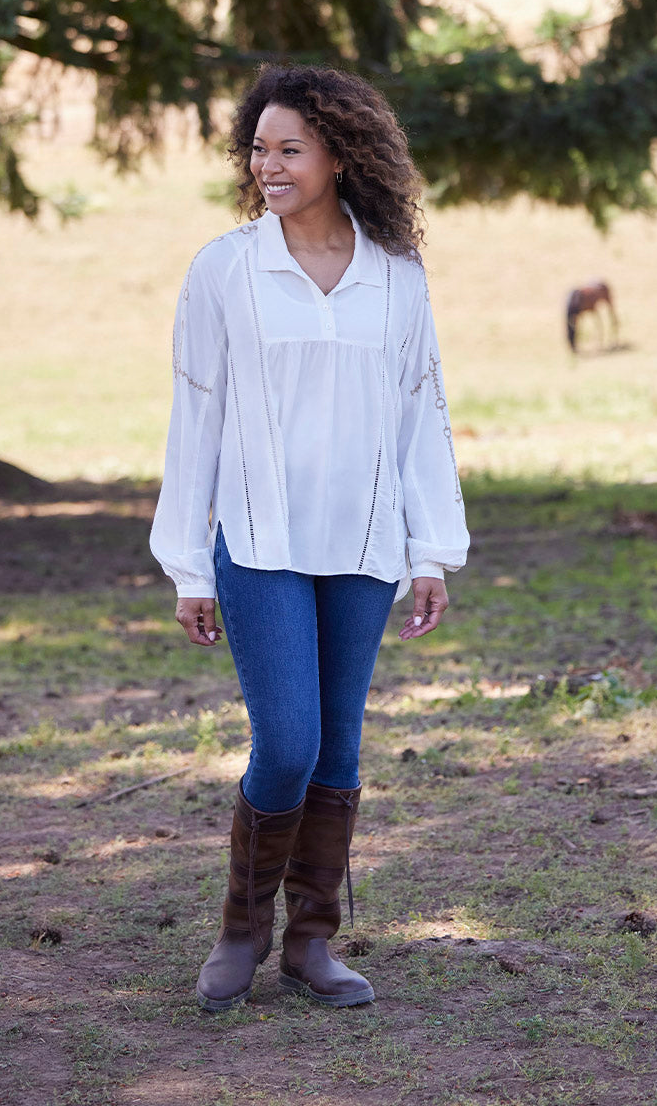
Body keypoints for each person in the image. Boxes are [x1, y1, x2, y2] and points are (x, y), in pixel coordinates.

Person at [150, 64, 469, 1011]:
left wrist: (429, 552)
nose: (269, 165)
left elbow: (424, 417)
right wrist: (185, 563)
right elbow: (193, 414)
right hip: (257, 542)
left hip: (367, 546)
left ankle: (312, 942)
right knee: (287, 742)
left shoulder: (396, 280)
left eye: (290, 149)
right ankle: (241, 933)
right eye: (260, 148)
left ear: (341, 153)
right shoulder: (227, 268)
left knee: (339, 751)